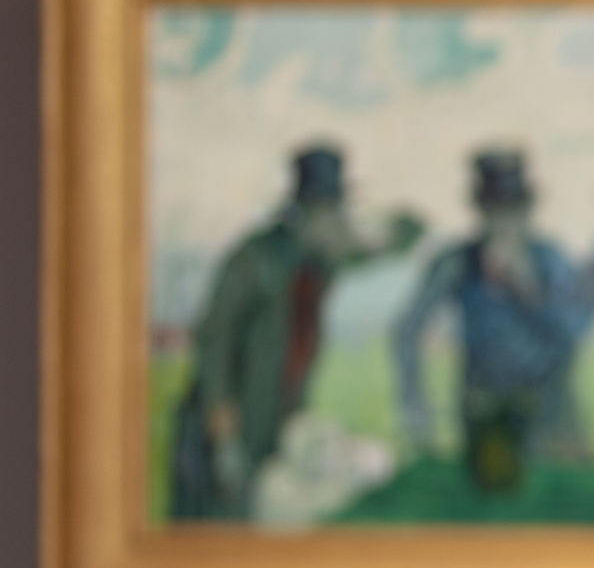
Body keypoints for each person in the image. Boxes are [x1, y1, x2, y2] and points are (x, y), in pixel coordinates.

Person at [168, 141, 421, 520]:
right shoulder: (254, 262)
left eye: (339, 211)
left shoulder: (320, 259)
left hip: (277, 420)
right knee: (218, 536)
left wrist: (397, 233)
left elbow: (381, 244)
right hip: (223, 430)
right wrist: (222, 436)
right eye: (329, 212)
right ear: (302, 213)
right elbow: (213, 343)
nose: (338, 222)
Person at [391, 145, 594, 492]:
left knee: (569, 502)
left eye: (512, 213)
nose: (504, 225)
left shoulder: (550, 259)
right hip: (487, 412)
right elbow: (406, 330)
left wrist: (528, 290)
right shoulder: (457, 261)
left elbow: (574, 332)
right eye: (494, 214)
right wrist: (415, 405)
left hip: (552, 408)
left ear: (528, 211)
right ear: (479, 214)